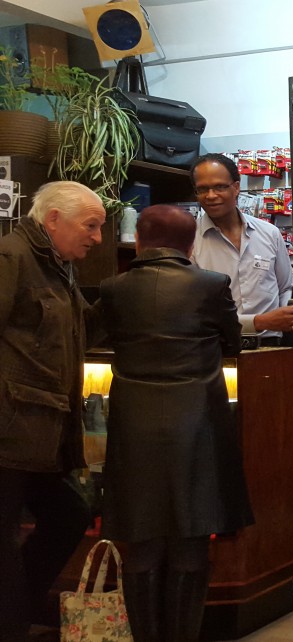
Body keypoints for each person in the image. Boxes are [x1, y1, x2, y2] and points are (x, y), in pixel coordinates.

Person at [95, 205, 253, 642]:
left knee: (142, 545)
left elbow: (96, 337)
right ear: (190, 245)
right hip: (198, 426)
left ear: (140, 241)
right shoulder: (211, 285)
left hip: (134, 430)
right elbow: (232, 340)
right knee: (191, 541)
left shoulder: (112, 289)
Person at [0, 181, 105, 641]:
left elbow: (86, 326)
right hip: (8, 431)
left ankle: (16, 612)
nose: (98, 237)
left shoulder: (57, 267)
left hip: (40, 435)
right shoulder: (12, 258)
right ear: (53, 220)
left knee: (68, 516)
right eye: (91, 225)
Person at [189, 152, 293, 344]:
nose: (211, 196)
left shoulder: (269, 233)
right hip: (217, 349)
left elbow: (285, 288)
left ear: (236, 187)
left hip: (271, 348)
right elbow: (194, 310)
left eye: (220, 187)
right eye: (202, 189)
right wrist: (259, 322)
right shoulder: (190, 241)